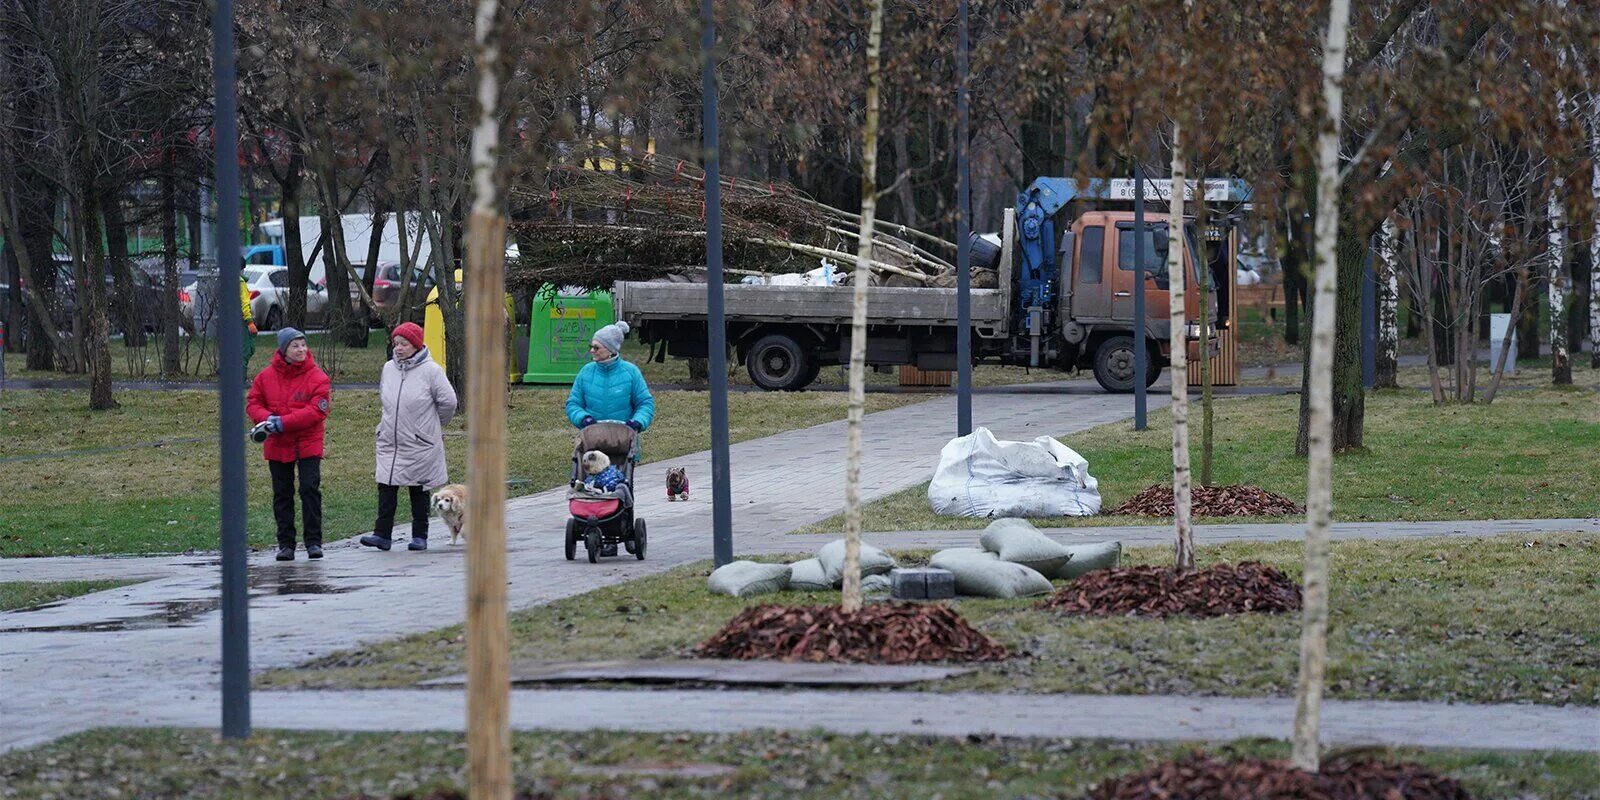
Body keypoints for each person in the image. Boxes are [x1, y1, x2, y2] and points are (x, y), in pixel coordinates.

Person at [360, 322, 458, 552]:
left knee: (418, 489)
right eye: (396, 344)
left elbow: (449, 402)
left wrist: (432, 425)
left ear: (416, 345)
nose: (399, 348)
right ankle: (381, 535)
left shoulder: (431, 371)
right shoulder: (388, 368)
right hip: (390, 440)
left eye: (404, 344)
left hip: (419, 442)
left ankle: (419, 536)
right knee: (386, 486)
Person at [565, 320, 654, 556]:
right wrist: (582, 418)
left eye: (596, 347)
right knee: (591, 485)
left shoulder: (630, 373)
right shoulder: (586, 373)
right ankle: (596, 529)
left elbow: (645, 403)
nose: (592, 351)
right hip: (593, 444)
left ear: (611, 349)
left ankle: (624, 530)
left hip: (622, 443)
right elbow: (573, 403)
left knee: (623, 486)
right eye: (591, 347)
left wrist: (638, 422)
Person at [247, 328, 331, 561]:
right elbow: (253, 402)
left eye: (303, 345)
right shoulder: (264, 377)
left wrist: (283, 422)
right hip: (277, 444)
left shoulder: (318, 377)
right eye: (295, 346)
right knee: (282, 494)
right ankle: (286, 544)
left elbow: (316, 411)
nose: (301, 350)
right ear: (284, 350)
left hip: (308, 442)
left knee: (309, 489)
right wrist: (265, 419)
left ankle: (314, 542)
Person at [240, 276, 257, 379]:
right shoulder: (240, 282)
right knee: (247, 349)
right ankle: (241, 378)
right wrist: (250, 322)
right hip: (242, 321)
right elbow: (245, 303)